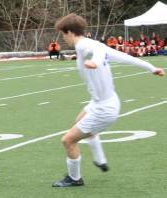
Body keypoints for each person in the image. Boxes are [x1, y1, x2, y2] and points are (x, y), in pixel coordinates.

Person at [52, 13, 164, 187]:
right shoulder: (95, 44)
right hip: (102, 102)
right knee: (79, 121)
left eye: (63, 34)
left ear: (69, 32)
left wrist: (95, 62)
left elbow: (94, 53)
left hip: (104, 109)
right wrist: (151, 68)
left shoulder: (84, 46)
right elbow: (125, 57)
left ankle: (74, 179)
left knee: (68, 140)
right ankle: (100, 160)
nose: (63, 38)